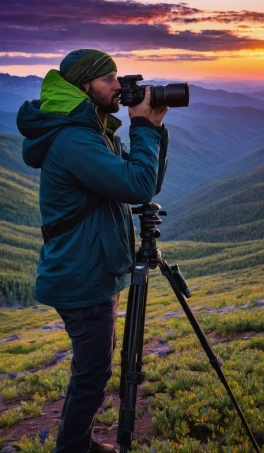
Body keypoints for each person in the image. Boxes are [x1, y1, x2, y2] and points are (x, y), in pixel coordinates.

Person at [17, 49, 169, 453]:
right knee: (92, 373)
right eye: (109, 80)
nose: (119, 88)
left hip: (92, 268)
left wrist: (153, 126)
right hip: (81, 274)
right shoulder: (75, 140)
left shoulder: (92, 131)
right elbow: (138, 186)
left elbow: (143, 180)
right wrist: (142, 126)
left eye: (119, 78)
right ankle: (72, 447)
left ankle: (78, 442)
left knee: (93, 368)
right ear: (85, 87)